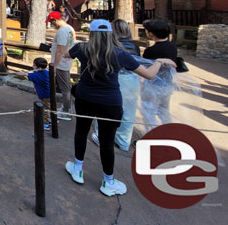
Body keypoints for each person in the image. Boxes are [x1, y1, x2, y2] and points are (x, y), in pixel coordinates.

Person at [64, 19, 176, 197]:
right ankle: (108, 181)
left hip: (85, 97)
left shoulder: (82, 49)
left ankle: (77, 168)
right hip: (110, 101)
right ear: (110, 34)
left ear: (91, 33)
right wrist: (159, 61)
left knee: (81, 131)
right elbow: (148, 74)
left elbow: (65, 55)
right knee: (107, 141)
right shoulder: (119, 54)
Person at [92, 19, 140, 151]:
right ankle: (123, 141)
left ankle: (101, 136)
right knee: (128, 111)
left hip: (114, 78)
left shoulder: (111, 46)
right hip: (131, 79)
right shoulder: (134, 46)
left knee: (105, 108)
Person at [140, 19, 178, 126]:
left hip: (153, 86)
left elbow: (145, 68)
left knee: (149, 112)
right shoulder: (172, 47)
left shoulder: (150, 50)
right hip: (167, 84)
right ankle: (167, 134)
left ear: (151, 33)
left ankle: (151, 136)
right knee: (164, 111)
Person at [47, 10, 75, 120]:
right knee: (66, 86)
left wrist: (54, 66)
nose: (51, 24)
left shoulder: (62, 31)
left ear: (56, 20)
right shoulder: (70, 29)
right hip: (67, 61)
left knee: (65, 88)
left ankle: (66, 111)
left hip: (61, 63)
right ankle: (66, 107)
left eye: (52, 22)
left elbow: (60, 50)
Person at [28, 57, 51, 130]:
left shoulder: (37, 75)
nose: (32, 66)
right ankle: (49, 119)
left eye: (34, 65)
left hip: (45, 95)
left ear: (39, 67)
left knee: (45, 110)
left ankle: (46, 124)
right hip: (48, 94)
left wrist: (12, 72)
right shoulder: (45, 72)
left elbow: (26, 74)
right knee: (48, 108)